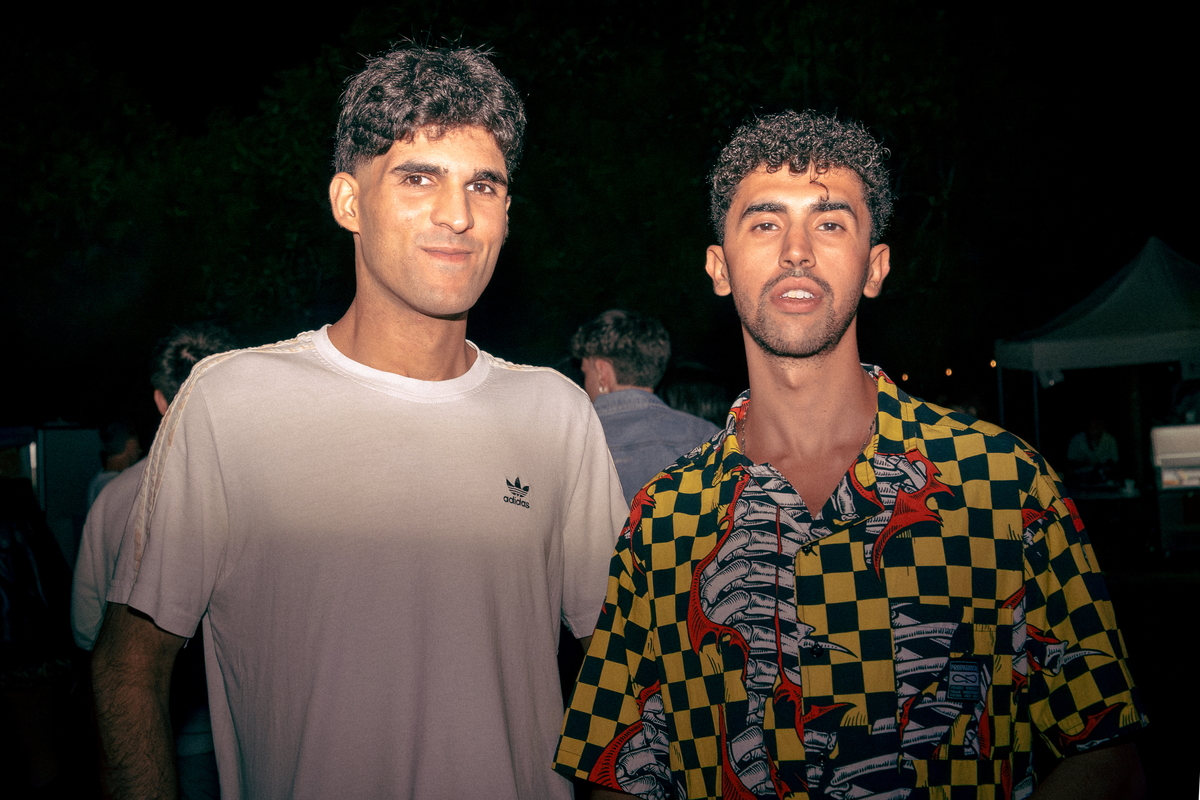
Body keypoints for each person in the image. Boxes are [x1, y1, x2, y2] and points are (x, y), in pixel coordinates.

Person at [554, 111, 1147, 799]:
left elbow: (1108, 753)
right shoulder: (663, 518)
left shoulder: (1004, 484)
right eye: (765, 223)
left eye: (830, 223)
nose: (796, 251)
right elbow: (618, 774)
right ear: (719, 267)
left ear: (875, 266)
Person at [92, 46, 625, 800]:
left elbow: (621, 666)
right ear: (348, 202)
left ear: (507, 214)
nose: (457, 214)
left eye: (483, 185)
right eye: (418, 178)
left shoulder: (557, 412)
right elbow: (128, 665)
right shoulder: (229, 402)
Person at [74, 324, 234, 800]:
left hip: (142, 738)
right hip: (239, 740)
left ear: (161, 401)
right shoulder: (268, 494)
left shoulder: (114, 497)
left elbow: (86, 628)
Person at [571, 309, 720, 506]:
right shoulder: (707, 437)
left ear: (602, 372)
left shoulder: (570, 440)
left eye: (585, 373)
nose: (584, 384)